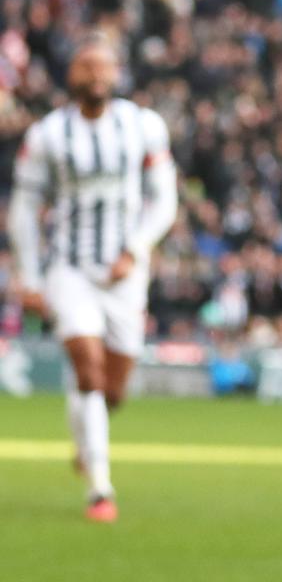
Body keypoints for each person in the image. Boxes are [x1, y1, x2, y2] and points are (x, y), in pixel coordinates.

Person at [6, 34, 178, 522]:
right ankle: (100, 489)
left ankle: (86, 440)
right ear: (71, 76)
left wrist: (136, 248)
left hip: (125, 272)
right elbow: (23, 210)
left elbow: (164, 199)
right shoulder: (47, 135)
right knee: (86, 368)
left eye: (104, 66)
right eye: (86, 66)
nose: (96, 74)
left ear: (117, 73)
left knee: (114, 390)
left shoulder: (143, 125)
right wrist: (30, 275)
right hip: (70, 268)